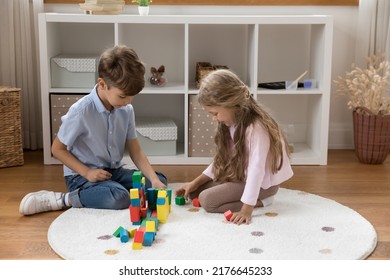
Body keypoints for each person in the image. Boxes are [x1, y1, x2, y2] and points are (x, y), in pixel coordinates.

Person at [19, 45, 167, 215]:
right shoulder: (81, 111)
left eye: (132, 95)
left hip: (112, 172)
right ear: (103, 84)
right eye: (122, 96)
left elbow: (136, 150)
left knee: (160, 180)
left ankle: (114, 188)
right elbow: (57, 149)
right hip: (81, 176)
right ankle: (64, 199)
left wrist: (153, 179)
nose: (129, 101)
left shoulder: (126, 110)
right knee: (120, 198)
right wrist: (87, 172)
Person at [175, 69, 293, 225]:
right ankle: (236, 194)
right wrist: (194, 182)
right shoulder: (231, 122)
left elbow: (256, 170)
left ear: (230, 104)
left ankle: (264, 201)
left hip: (263, 185)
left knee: (207, 201)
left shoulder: (256, 128)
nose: (213, 119)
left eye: (215, 113)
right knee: (195, 192)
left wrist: (247, 209)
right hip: (242, 177)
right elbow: (222, 159)